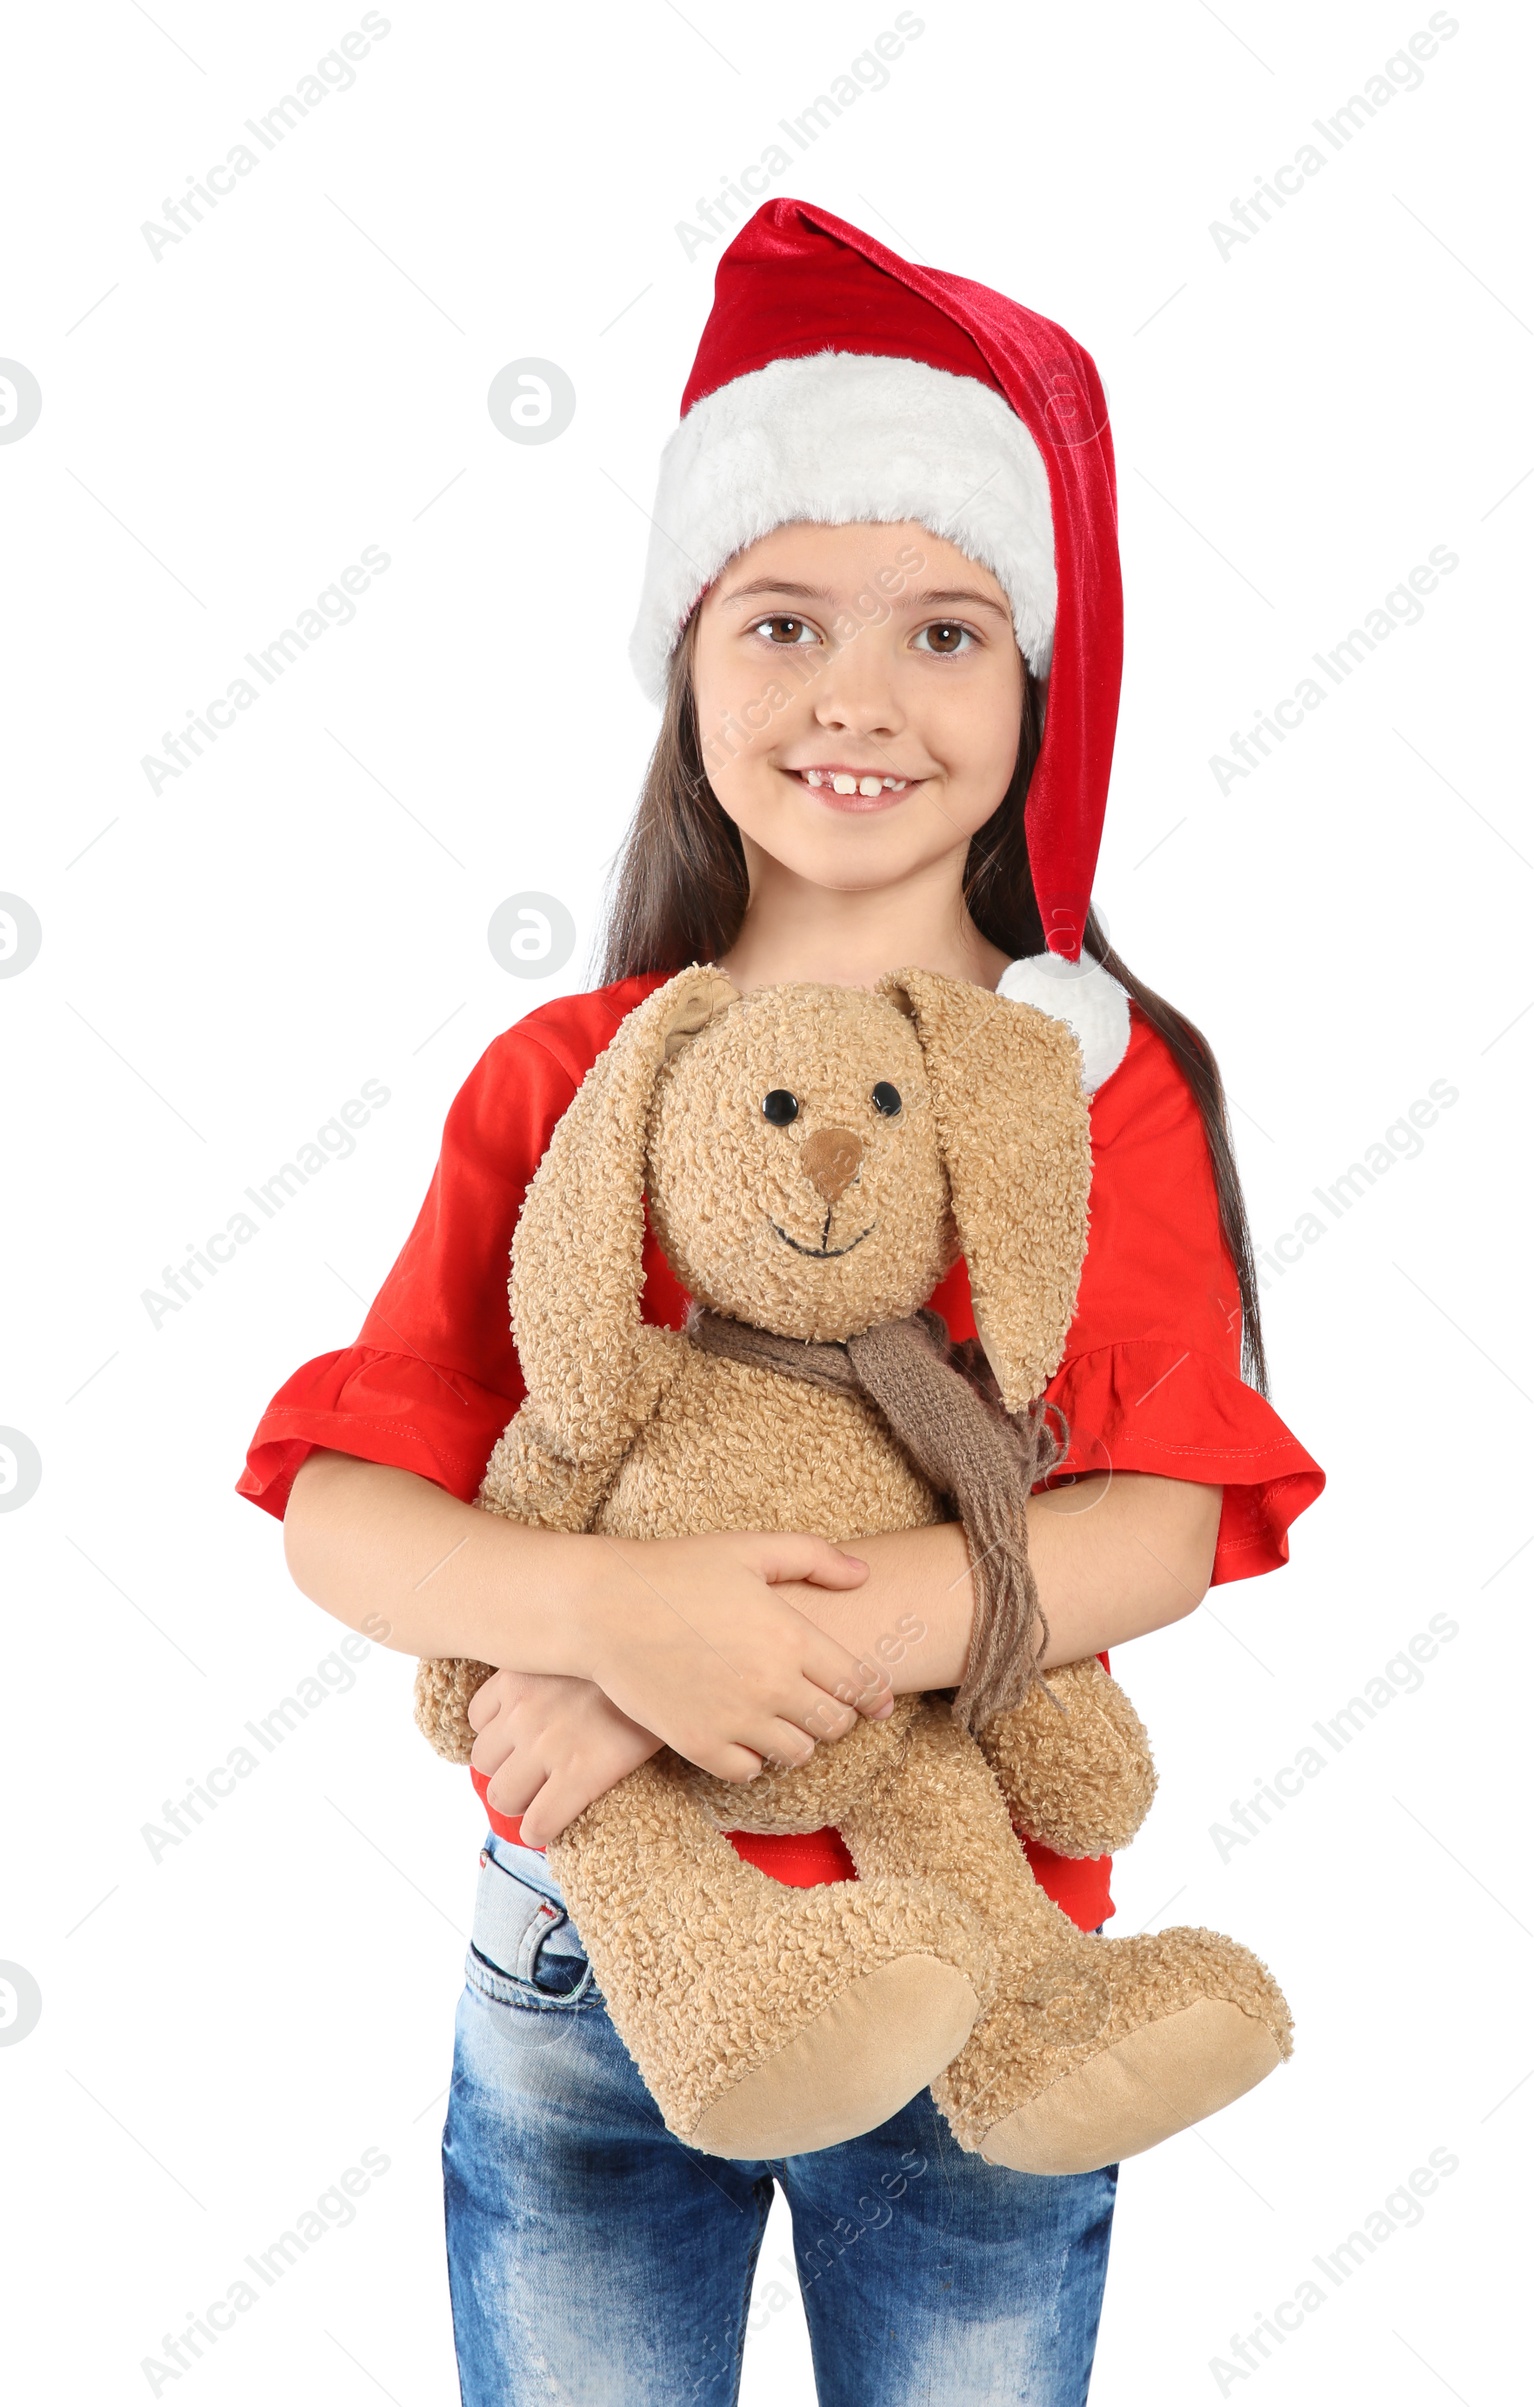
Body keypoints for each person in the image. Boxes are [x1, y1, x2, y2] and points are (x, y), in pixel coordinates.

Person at [240, 200, 1325, 2407]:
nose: (854, 694)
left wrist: (698, 1669)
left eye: (944, 630)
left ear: (1041, 685)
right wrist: (608, 1620)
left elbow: (1158, 1524)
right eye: (782, 619)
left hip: (988, 1978)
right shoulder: (572, 1083)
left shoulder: (1087, 1084)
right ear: (685, 661)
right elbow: (346, 1510)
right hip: (589, 1963)